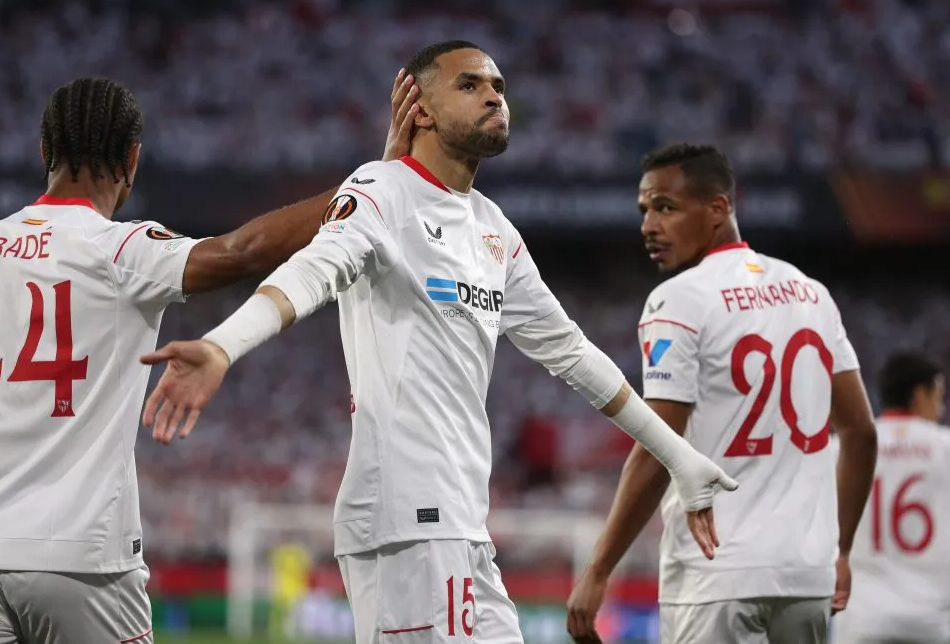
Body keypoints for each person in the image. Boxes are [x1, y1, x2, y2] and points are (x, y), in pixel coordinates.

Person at [140, 40, 738, 644]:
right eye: (471, 85)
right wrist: (222, 345)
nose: (493, 96)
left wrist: (680, 458)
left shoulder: (492, 228)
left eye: (499, 87)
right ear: (419, 108)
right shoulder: (382, 190)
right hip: (408, 521)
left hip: (463, 525)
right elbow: (314, 270)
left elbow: (576, 353)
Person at [0, 72, 420, 643]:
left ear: (44, 152)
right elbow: (243, 250)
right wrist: (372, 188)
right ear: (133, 160)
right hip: (76, 555)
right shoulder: (116, 248)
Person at [566, 143, 878, 644]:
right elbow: (860, 433)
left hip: (716, 574)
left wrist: (599, 569)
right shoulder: (810, 292)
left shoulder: (679, 299)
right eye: (645, 210)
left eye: (665, 207)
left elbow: (655, 447)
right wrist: (840, 549)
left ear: (718, 208)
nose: (648, 225)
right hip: (808, 575)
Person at [832, 350, 950, 644]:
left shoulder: (842, 450)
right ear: (920, 394)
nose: (941, 408)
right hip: (932, 621)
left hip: (861, 619)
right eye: (939, 396)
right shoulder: (945, 448)